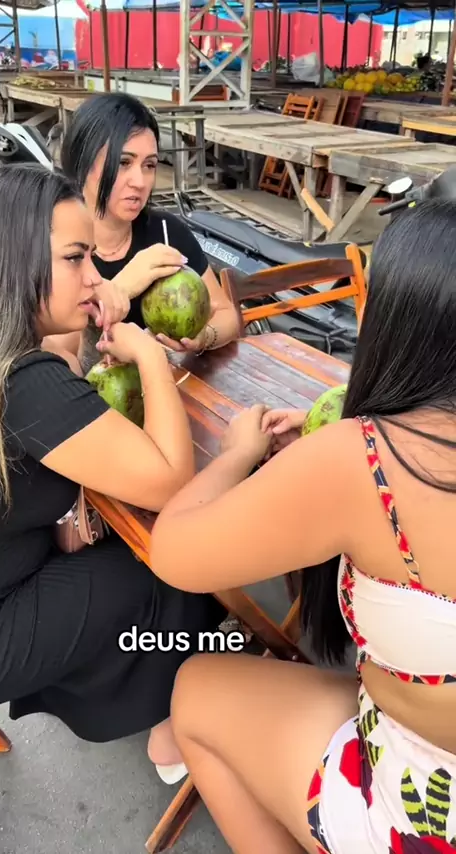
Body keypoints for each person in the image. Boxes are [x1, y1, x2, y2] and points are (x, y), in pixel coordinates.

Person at [149, 201, 456, 852]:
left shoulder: (367, 459)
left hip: (427, 806)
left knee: (196, 689)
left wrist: (238, 454)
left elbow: (173, 551)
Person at [0, 164, 225, 782]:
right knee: (167, 563)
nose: (93, 276)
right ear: (13, 262)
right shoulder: (23, 381)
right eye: (74, 258)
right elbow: (170, 478)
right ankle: (173, 720)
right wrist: (147, 356)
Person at [46, 92, 240, 375]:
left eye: (149, 165)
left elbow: (226, 314)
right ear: (83, 163)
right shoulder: (57, 246)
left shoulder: (166, 232)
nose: (139, 182)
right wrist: (118, 290)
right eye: (123, 163)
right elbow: (61, 363)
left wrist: (203, 337)